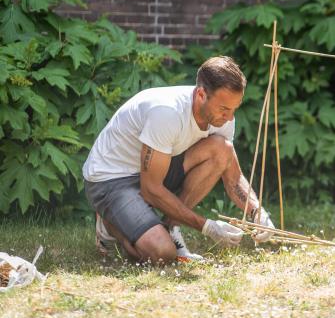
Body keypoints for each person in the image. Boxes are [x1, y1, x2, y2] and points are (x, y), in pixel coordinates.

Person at [82, 56, 274, 264]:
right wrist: (206, 226)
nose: (230, 117)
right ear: (201, 94)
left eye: (234, 109)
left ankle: (170, 227)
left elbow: (233, 176)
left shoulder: (223, 117)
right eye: (224, 109)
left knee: (222, 150)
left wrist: (257, 213)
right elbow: (151, 189)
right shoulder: (167, 113)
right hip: (110, 179)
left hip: (156, 167)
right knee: (162, 253)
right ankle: (110, 225)